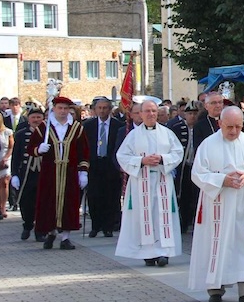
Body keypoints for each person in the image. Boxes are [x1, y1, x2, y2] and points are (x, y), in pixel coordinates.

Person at [189, 105, 244, 302]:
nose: (233, 131)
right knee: (217, 244)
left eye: (238, 127)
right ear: (219, 123)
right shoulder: (208, 144)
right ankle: (215, 287)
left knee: (243, 244)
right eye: (229, 126)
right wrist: (222, 180)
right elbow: (197, 174)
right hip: (217, 205)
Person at [115, 99, 183, 266]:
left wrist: (162, 158)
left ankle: (164, 252)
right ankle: (148, 253)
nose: (151, 114)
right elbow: (122, 156)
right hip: (141, 182)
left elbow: (177, 152)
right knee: (144, 216)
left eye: (154, 111)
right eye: (147, 111)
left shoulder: (167, 133)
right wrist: (142, 160)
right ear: (141, 114)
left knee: (163, 215)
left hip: (162, 180)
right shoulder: (133, 135)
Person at [29, 96, 90, 249]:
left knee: (69, 202)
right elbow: (31, 148)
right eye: (59, 108)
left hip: (69, 171)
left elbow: (84, 151)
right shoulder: (44, 127)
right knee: (49, 202)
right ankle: (51, 232)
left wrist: (83, 172)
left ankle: (65, 237)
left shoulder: (76, 128)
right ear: (54, 109)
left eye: (65, 108)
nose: (62, 111)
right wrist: (39, 150)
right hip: (50, 172)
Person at [82, 96, 125, 237]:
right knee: (94, 196)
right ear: (94, 109)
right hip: (94, 164)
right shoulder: (88, 125)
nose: (102, 111)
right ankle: (96, 225)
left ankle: (108, 226)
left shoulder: (118, 125)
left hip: (110, 164)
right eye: (99, 108)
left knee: (111, 196)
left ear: (110, 109)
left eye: (105, 108)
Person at [11, 107, 44, 239]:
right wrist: (14, 174)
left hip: (43, 173)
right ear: (29, 119)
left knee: (42, 202)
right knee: (26, 202)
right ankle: (27, 224)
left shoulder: (47, 133)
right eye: (33, 117)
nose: (36, 120)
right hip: (26, 174)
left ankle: (40, 230)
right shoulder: (20, 134)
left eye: (39, 117)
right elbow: (16, 156)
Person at [167, 102, 200, 234]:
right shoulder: (177, 127)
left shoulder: (200, 127)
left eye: (194, 113)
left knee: (195, 195)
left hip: (196, 166)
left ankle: (193, 221)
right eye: (190, 113)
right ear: (185, 114)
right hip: (183, 166)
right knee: (183, 195)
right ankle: (183, 223)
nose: (192, 116)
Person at [0, 110, 13, 217]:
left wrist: (5, 158)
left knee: (4, 183)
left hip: (5, 157)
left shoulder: (7, 132)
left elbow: (10, 147)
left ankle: (3, 207)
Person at [192, 92, 224, 156]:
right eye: (214, 103)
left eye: (220, 102)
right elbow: (199, 149)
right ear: (206, 106)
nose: (218, 105)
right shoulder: (199, 126)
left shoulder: (229, 121)